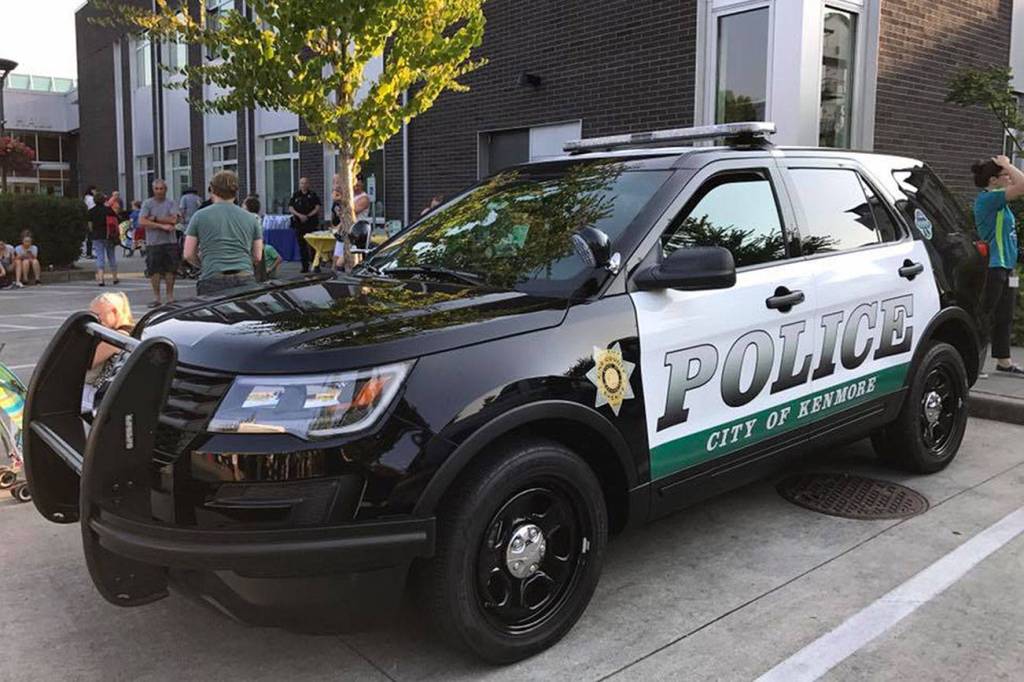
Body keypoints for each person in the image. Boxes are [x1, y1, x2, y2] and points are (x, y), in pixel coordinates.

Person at [972, 155, 1024, 375]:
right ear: (993, 180)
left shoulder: (1000, 203)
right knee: (985, 316)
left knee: (1004, 315)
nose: (1009, 178)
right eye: (1005, 175)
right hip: (994, 267)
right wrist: (1008, 165)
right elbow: (1022, 185)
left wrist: (1006, 168)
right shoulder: (989, 199)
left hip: (1006, 267)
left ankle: (1003, 361)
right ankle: (973, 364)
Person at [183, 170, 263, 296]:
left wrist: (204, 265)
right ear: (235, 191)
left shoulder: (199, 216)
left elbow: (188, 254)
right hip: (244, 277)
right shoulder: (251, 218)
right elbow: (258, 256)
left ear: (212, 189)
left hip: (212, 277)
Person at [82, 291, 135, 415]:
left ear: (114, 312)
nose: (96, 320)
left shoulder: (118, 336)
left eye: (98, 315)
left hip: (98, 393)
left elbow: (88, 362)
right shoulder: (127, 331)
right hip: (104, 391)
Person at [138, 179, 181, 308]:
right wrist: (162, 226)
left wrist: (155, 218)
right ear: (153, 190)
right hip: (153, 242)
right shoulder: (147, 203)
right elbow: (142, 221)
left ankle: (170, 296)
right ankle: (156, 297)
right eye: (156, 189)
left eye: (161, 188)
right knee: (154, 270)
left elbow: (174, 220)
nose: (159, 191)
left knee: (170, 270)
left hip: (170, 241)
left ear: (166, 189)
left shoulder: (171, 203)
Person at [331, 179, 371, 270]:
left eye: (358, 185)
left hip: (357, 232)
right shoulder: (349, 197)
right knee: (335, 259)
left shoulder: (364, 198)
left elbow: (351, 211)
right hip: (345, 231)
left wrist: (341, 200)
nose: (356, 187)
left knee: (344, 260)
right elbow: (340, 213)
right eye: (354, 185)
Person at [288, 177, 321, 273]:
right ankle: (305, 266)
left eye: (305, 183)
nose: (303, 185)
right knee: (302, 246)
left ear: (308, 184)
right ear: (299, 184)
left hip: (311, 223)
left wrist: (308, 216)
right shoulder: (296, 195)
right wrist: (300, 215)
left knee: (314, 246)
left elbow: (317, 207)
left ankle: (316, 265)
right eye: (302, 183)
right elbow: (290, 208)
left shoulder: (313, 195)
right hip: (299, 224)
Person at [244, 195, 280, 281]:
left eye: (244, 205)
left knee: (255, 270)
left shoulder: (250, 218)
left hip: (253, 246)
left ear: (248, 207)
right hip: (257, 246)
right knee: (259, 269)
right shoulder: (256, 217)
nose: (242, 207)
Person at [87, 192, 119, 286]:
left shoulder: (91, 211)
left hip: (97, 236)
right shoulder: (108, 210)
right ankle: (115, 278)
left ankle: (101, 279)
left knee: (100, 256)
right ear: (104, 200)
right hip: (109, 235)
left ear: (94, 200)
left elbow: (90, 225)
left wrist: (93, 232)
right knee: (111, 256)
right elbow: (116, 219)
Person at [83, 185, 96, 258]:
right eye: (94, 190)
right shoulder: (91, 199)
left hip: (86, 218)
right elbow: (92, 208)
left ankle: (88, 252)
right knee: (91, 236)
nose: (95, 192)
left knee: (89, 236)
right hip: (91, 219)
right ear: (91, 190)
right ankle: (89, 253)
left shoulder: (85, 198)